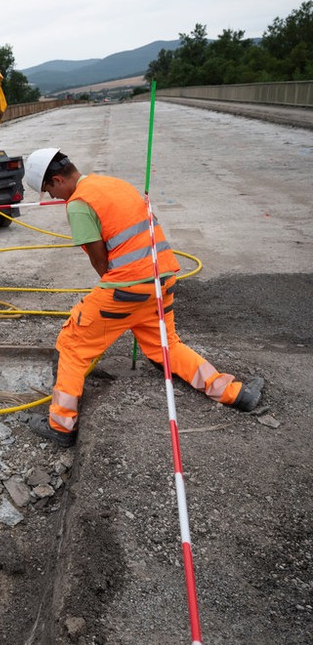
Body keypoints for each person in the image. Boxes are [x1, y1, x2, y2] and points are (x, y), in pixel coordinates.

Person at [21, 148, 264, 447]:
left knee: (72, 342)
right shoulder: (113, 183)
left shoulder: (79, 203)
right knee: (168, 346)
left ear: (57, 180)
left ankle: (60, 425)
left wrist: (115, 302)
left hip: (128, 287)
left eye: (50, 190)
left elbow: (100, 261)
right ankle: (236, 394)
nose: (54, 198)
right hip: (163, 279)